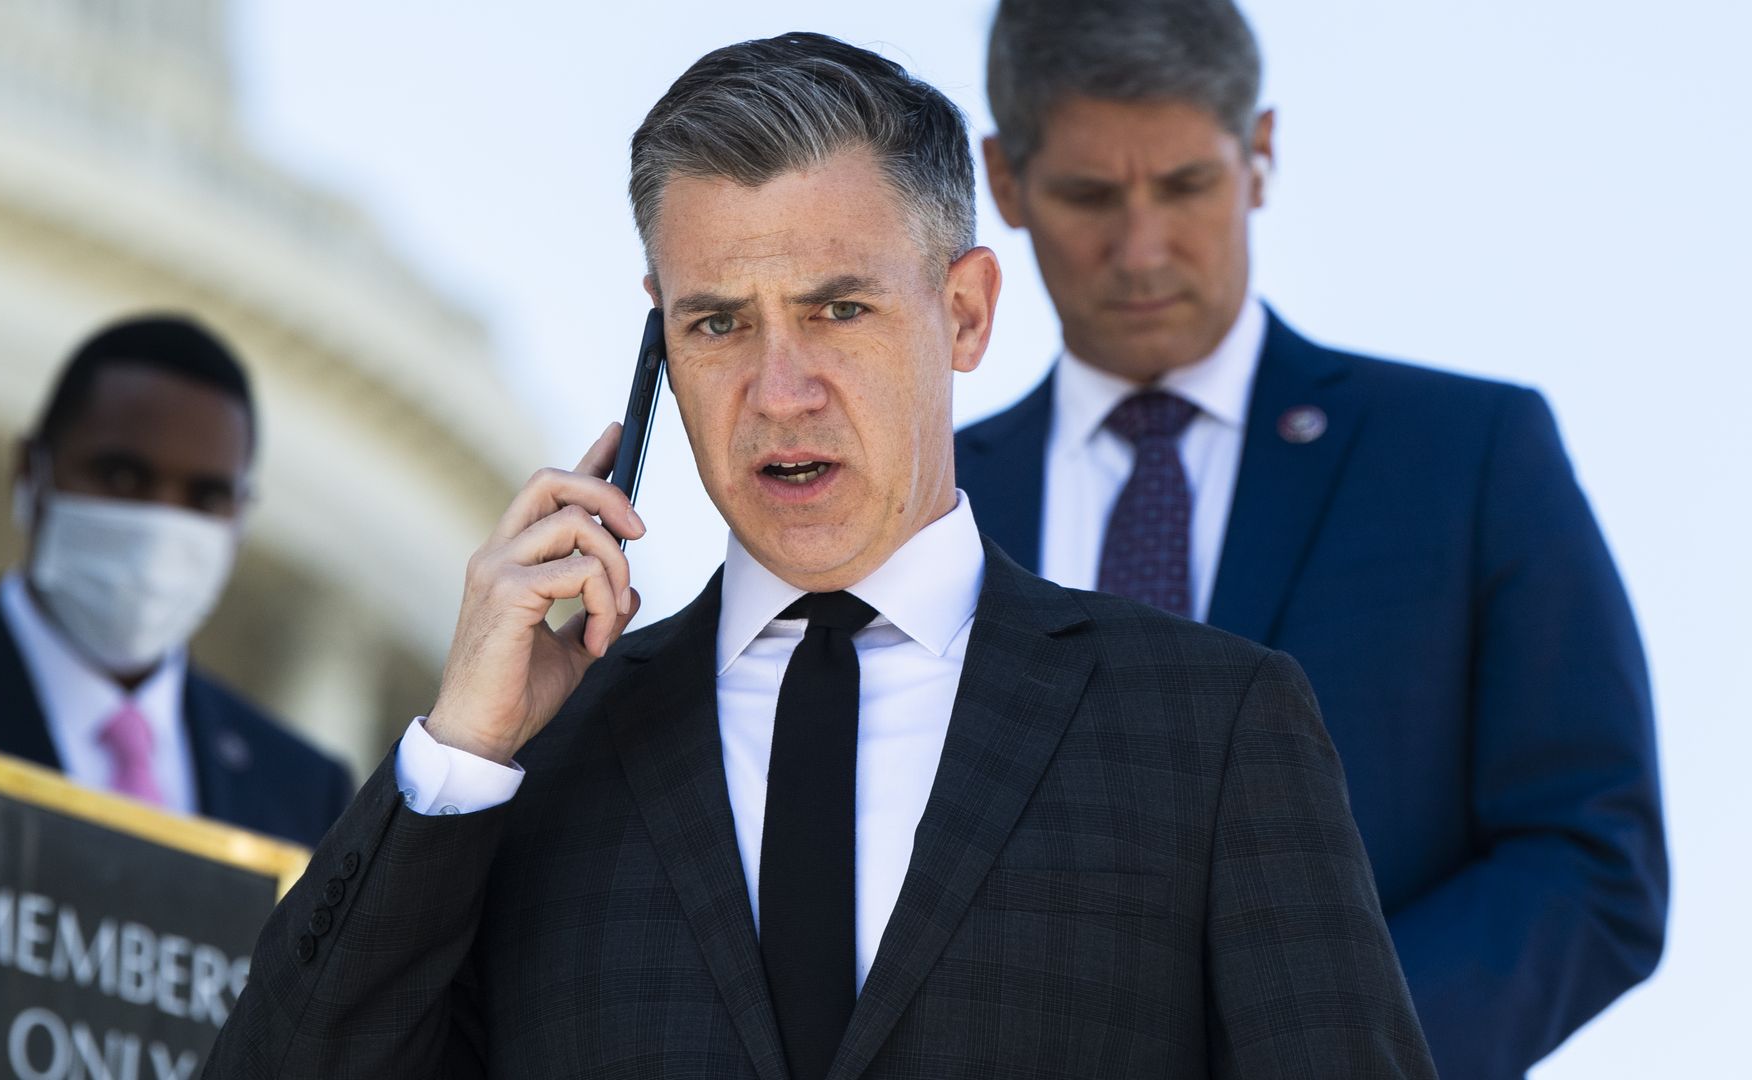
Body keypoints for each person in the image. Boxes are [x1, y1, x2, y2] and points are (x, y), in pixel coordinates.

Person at [204, 33, 1435, 1080]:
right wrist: (460, 757)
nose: (778, 393)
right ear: (660, 349)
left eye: (840, 310)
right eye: (719, 324)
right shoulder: (537, 765)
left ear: (964, 314)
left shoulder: (1211, 732)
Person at [955, 2, 1668, 1076]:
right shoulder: (926, 503)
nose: (1142, 249)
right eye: (1090, 195)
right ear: (1005, 182)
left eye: (1188, 185)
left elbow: (1592, 860)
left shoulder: (1467, 456)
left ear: (1260, 155)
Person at [0, 314, 354, 1077]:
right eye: (121, 477)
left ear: (240, 515)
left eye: (204, 497)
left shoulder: (304, 796)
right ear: (31, 473)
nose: (159, 527)